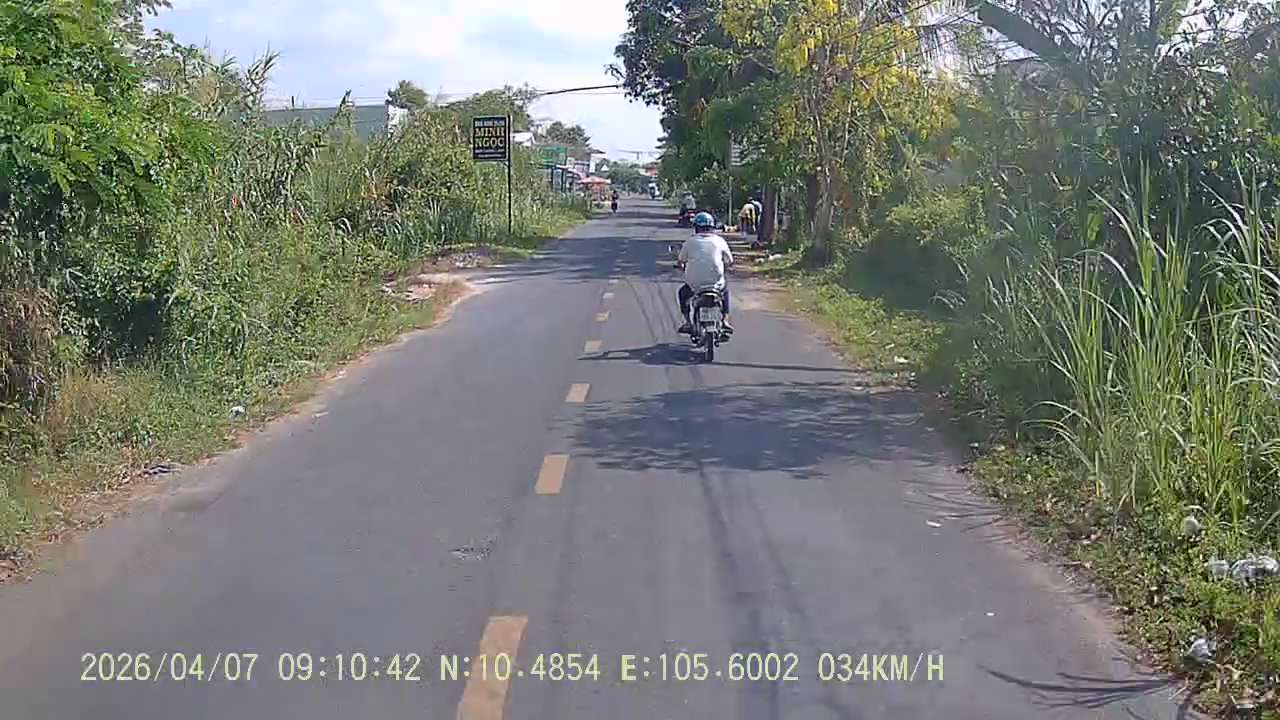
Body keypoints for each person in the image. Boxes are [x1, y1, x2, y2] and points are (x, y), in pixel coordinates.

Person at [676, 211, 734, 335]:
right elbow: (730, 261)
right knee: (725, 292)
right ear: (712, 227)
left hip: (695, 285)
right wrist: (725, 267)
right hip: (716, 284)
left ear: (696, 227)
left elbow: (681, 261)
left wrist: (681, 266)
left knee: (682, 293)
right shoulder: (720, 241)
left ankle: (688, 322)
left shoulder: (690, 242)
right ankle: (725, 320)